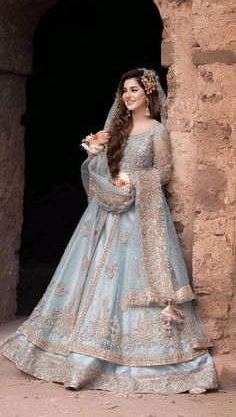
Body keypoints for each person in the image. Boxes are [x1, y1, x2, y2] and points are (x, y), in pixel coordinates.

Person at [0, 68, 218, 394]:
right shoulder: (118, 128)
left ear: (148, 94)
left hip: (141, 213)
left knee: (135, 278)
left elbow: (164, 170)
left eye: (134, 90)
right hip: (106, 213)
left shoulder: (157, 131)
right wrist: (98, 155)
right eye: (124, 91)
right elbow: (104, 167)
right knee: (93, 278)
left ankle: (168, 361)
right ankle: (82, 354)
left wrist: (135, 182)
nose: (128, 96)